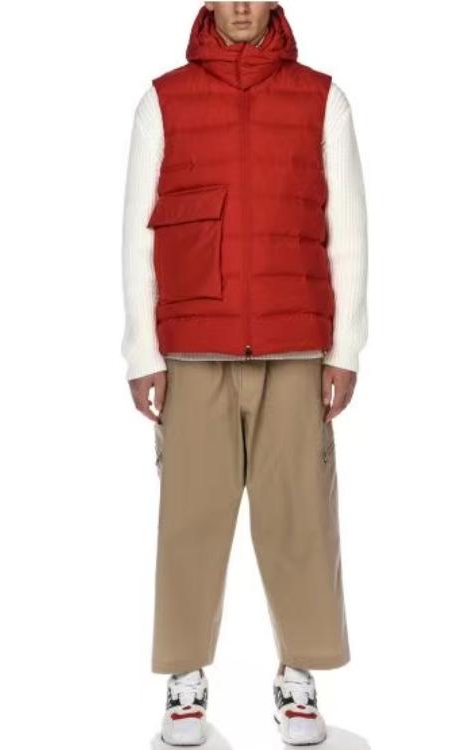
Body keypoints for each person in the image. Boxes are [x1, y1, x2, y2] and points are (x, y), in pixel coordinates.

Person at [121, 2, 368, 745]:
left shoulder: (323, 98)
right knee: (190, 521)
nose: (239, 6)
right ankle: (184, 678)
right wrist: (142, 353)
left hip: (296, 346)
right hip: (194, 349)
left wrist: (345, 348)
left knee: (299, 518)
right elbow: (135, 236)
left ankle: (300, 673)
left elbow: (348, 231)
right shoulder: (162, 100)